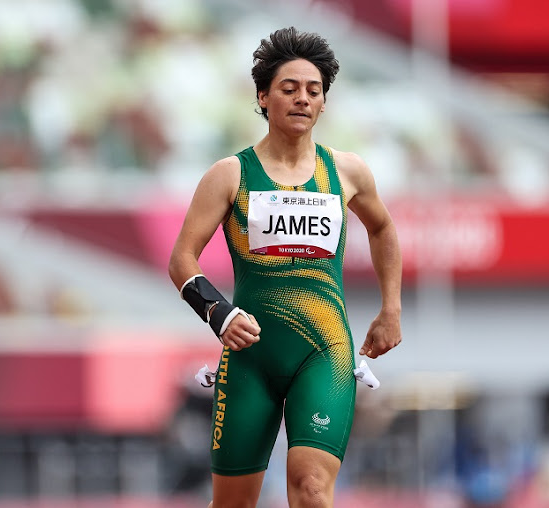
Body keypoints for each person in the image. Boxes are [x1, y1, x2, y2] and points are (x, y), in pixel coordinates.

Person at [168, 26, 402, 508]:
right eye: (289, 88)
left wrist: (390, 309)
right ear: (263, 97)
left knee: (311, 487)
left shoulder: (346, 171)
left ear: (323, 103)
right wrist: (219, 313)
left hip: (325, 351)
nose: (302, 99)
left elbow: (382, 230)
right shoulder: (230, 174)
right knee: (232, 503)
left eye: (313, 91)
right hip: (251, 356)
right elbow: (181, 259)